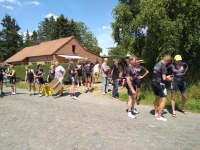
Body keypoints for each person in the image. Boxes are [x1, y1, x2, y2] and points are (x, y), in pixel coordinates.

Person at [151, 55, 172, 121]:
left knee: (157, 97)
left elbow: (158, 74)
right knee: (164, 100)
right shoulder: (163, 66)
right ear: (167, 61)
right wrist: (169, 79)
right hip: (160, 84)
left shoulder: (157, 64)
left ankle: (156, 113)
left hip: (154, 82)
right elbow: (164, 78)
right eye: (168, 62)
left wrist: (166, 76)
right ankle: (159, 116)